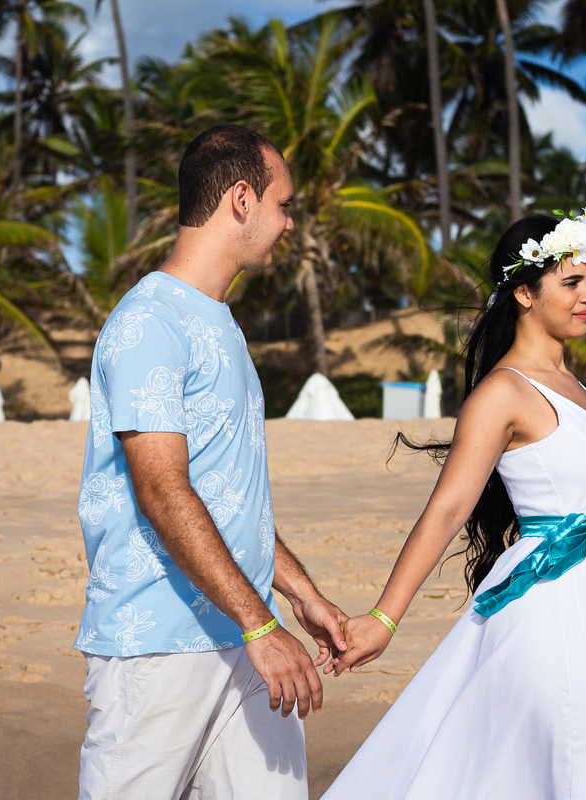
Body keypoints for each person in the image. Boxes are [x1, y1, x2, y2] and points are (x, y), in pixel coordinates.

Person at [322, 213, 586, 799]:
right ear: (524, 292)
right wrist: (386, 617)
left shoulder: (581, 388)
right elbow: (447, 509)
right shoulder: (502, 392)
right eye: (571, 283)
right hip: (547, 615)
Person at [74, 124, 348, 800]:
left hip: (245, 638)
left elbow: (227, 494)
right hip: (160, 647)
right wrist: (261, 622)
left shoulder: (218, 323)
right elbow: (164, 494)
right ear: (242, 199)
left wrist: (300, 595)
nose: (289, 224)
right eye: (285, 205)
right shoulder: (149, 324)